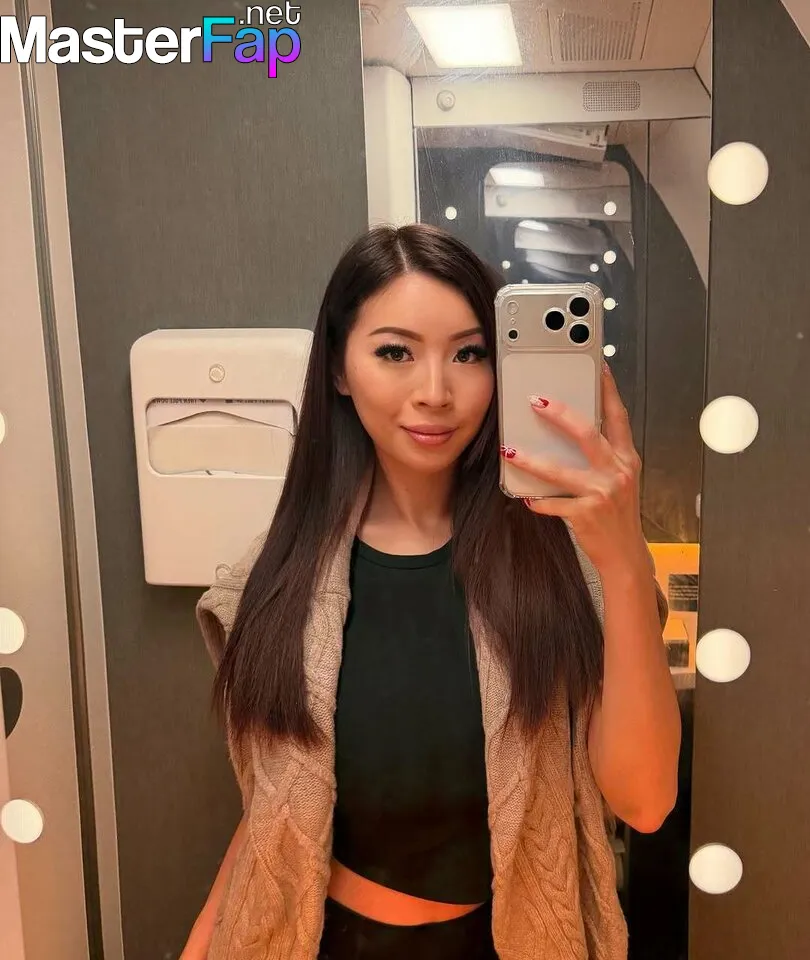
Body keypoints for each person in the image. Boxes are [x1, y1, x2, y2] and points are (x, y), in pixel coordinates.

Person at [180, 223, 680, 960]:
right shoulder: (276, 577)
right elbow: (273, 816)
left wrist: (626, 560)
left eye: (469, 354)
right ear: (339, 368)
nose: (436, 393)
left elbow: (644, 801)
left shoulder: (567, 568)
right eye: (396, 352)